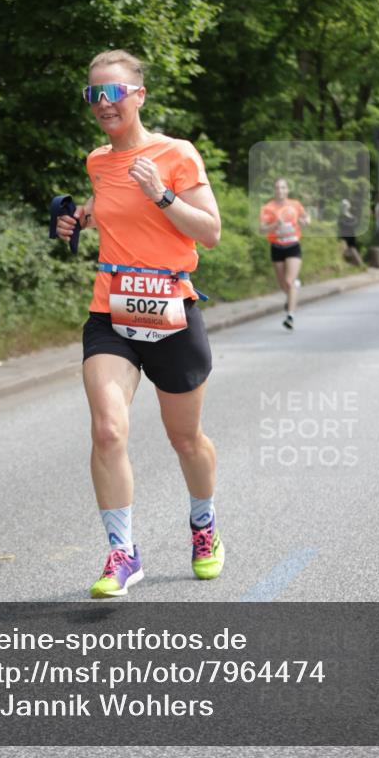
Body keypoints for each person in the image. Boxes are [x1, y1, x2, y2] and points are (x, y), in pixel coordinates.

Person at [55, 48, 222, 598]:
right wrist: (78, 217)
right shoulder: (98, 161)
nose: (103, 103)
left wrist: (162, 194)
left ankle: (204, 527)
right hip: (111, 311)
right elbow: (107, 202)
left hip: (172, 310)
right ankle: (122, 553)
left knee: (185, 438)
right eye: (93, 94)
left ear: (138, 96)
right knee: (107, 430)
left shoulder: (177, 154)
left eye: (113, 92)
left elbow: (210, 231)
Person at [259, 178, 310, 330]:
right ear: (274, 190)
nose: (280, 190)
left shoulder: (295, 204)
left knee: (289, 281)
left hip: (293, 245)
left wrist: (306, 221)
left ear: (287, 190)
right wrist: (275, 224)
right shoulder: (268, 208)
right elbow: (262, 229)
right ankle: (292, 294)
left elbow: (306, 218)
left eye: (283, 187)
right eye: (277, 188)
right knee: (283, 284)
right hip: (277, 247)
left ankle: (290, 316)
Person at [337, 199, 363, 267]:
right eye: (343, 205)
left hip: (351, 234)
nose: (345, 207)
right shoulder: (341, 216)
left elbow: (355, 224)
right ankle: (347, 262)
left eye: (346, 205)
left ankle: (354, 262)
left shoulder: (351, 216)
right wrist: (350, 225)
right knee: (345, 249)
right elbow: (341, 224)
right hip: (344, 235)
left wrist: (350, 224)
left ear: (348, 206)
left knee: (353, 247)